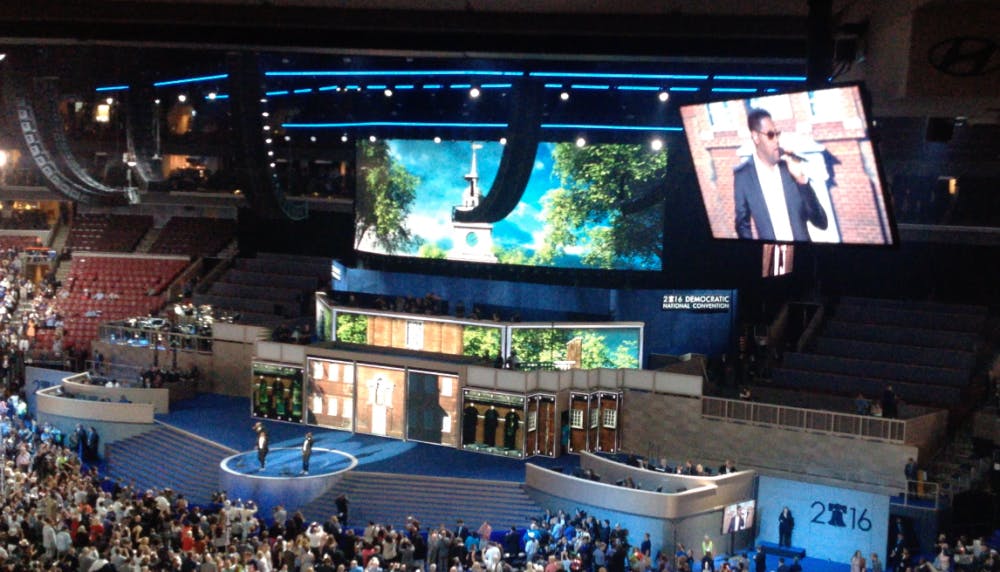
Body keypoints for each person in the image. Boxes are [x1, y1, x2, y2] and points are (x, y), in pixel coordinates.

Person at [733, 108, 828, 241]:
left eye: (777, 134)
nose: (776, 140)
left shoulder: (790, 167)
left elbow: (821, 222)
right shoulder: (743, 175)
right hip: (771, 257)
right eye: (771, 135)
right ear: (756, 137)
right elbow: (742, 225)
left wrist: (801, 180)